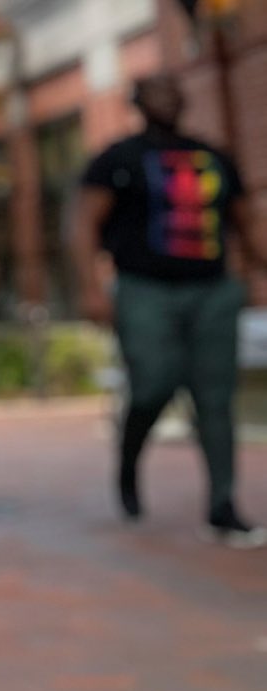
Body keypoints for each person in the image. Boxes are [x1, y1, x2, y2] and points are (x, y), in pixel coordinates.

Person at [76, 74, 267, 546]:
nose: (167, 98)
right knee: (153, 384)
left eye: (172, 91)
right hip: (144, 288)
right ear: (138, 103)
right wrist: (92, 288)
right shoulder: (117, 159)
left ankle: (222, 507)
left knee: (215, 399)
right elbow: (83, 224)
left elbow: (247, 224)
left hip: (212, 290)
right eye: (155, 92)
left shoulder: (213, 157)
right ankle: (129, 457)